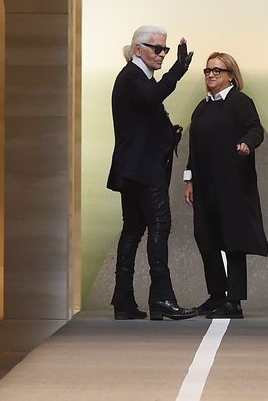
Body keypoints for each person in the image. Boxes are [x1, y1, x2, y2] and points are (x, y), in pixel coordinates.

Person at [106, 25, 197, 321]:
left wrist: (167, 134)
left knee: (133, 229)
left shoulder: (137, 78)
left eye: (165, 50)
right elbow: (153, 96)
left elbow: (146, 115)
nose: (162, 55)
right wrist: (178, 69)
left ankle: (124, 299)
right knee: (160, 224)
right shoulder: (133, 77)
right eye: (157, 49)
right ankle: (161, 298)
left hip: (134, 168)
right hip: (143, 170)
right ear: (138, 49)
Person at [183, 52, 268, 319]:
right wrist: (189, 179)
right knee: (206, 239)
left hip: (233, 185)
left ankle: (234, 301)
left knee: (233, 240)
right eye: (208, 71)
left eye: (217, 71)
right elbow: (194, 147)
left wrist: (247, 144)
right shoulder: (202, 107)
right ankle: (217, 295)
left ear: (231, 75)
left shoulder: (240, 102)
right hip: (205, 185)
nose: (211, 75)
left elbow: (256, 130)